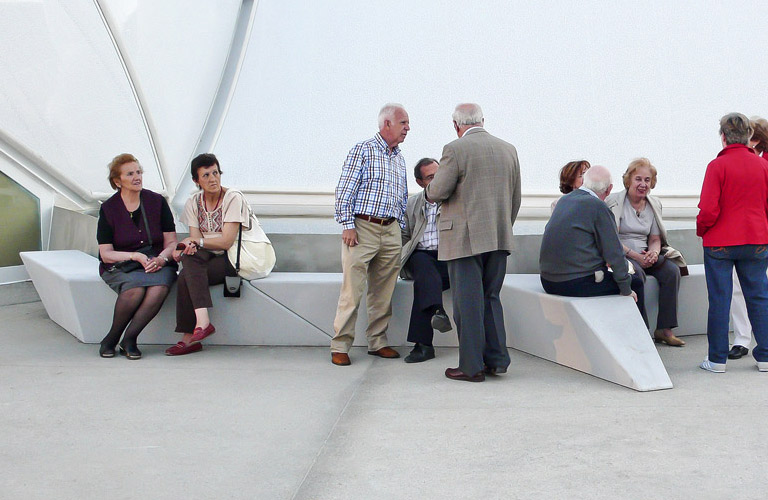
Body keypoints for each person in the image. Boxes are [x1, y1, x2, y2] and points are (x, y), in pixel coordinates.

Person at [425, 103, 521, 382]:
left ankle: (471, 366)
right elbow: (515, 197)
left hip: (464, 240)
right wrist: (503, 227)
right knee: (491, 298)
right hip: (499, 236)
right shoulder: (509, 149)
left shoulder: (455, 149)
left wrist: (428, 190)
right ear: (482, 120)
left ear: (456, 125)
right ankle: (497, 360)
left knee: (467, 305)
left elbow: (438, 191)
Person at [330, 103, 410, 366]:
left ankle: (378, 342)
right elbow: (345, 189)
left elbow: (402, 196)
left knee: (383, 291)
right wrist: (347, 224)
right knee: (352, 290)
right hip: (362, 228)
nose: (408, 128)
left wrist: (399, 227)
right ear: (387, 123)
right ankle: (340, 345)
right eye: (403, 123)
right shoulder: (363, 150)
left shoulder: (399, 158)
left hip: (391, 230)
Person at [165, 153, 268, 356]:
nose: (213, 179)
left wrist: (195, 242)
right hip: (210, 255)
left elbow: (226, 241)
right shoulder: (193, 202)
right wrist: (189, 245)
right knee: (189, 259)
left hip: (236, 257)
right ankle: (202, 324)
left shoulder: (233, 198)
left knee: (186, 275)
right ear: (196, 180)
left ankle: (191, 336)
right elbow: (196, 242)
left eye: (216, 173)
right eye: (206, 175)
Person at [697, 113, 768, 373]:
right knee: (759, 298)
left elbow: (708, 209)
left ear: (723, 137)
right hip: (756, 239)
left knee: (720, 299)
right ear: (748, 135)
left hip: (720, 242)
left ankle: (717, 359)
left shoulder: (717, 166)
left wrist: (702, 230)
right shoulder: (762, 166)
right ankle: (765, 356)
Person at [97, 153, 178, 359]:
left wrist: (161, 259)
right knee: (135, 290)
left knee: (159, 288)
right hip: (122, 265)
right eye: (130, 174)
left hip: (157, 262)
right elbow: (106, 254)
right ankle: (111, 338)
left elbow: (171, 243)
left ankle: (130, 339)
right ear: (118, 181)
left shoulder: (157, 202)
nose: (137, 177)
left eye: (139, 172)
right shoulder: (108, 209)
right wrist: (134, 256)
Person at [540, 165, 644, 318]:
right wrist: (626, 289)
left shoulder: (564, 201)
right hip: (575, 282)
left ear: (584, 182)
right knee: (635, 283)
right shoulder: (599, 207)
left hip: (548, 281)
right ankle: (640, 332)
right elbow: (614, 253)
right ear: (609, 189)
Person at [606, 158, 687, 347]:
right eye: (638, 179)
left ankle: (664, 329)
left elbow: (655, 238)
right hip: (624, 254)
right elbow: (611, 238)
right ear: (628, 180)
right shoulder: (614, 202)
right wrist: (636, 256)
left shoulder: (653, 204)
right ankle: (641, 331)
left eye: (647, 180)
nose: (643, 184)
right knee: (637, 275)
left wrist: (653, 253)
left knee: (672, 271)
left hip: (645, 252)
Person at [400, 158, 451, 363]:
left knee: (425, 283)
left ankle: (423, 345)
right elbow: (404, 235)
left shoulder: (454, 200)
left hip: (448, 258)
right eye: (430, 177)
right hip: (420, 257)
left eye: (439, 175)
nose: (437, 180)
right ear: (420, 182)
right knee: (421, 261)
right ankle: (437, 310)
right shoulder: (412, 203)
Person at [728, 117, 768, 359]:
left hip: (757, 233)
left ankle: (748, 339)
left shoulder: (760, 163)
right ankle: (742, 338)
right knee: (738, 287)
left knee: (750, 289)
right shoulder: (742, 160)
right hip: (749, 234)